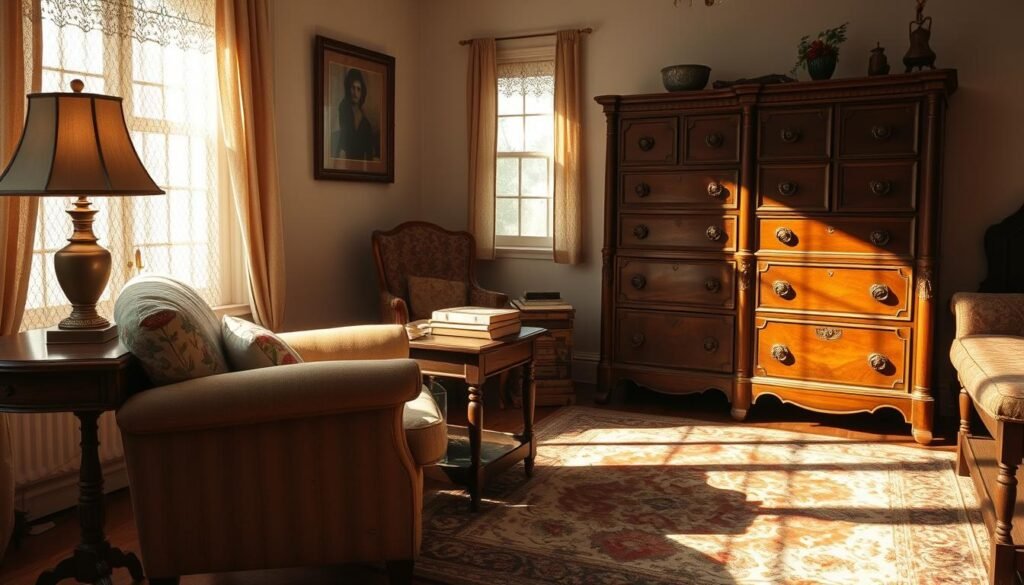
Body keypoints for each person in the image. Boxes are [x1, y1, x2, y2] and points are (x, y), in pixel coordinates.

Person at [334, 68, 376, 160]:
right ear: (348, 89)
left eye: (358, 89)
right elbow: (344, 136)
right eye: (353, 88)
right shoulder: (344, 107)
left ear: (362, 92)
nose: (355, 92)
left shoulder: (365, 120)